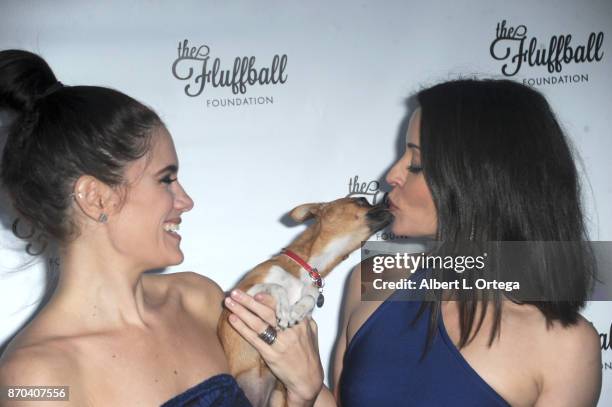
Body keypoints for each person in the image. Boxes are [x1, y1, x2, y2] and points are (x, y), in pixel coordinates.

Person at [227, 79, 603, 406]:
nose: (391, 175)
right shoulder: (374, 279)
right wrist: (305, 391)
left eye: (417, 164)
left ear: (480, 181)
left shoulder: (568, 349)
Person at [0, 49, 322, 406]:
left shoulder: (200, 301)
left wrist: (303, 393)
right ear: (95, 197)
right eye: (165, 180)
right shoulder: (33, 377)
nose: (185, 201)